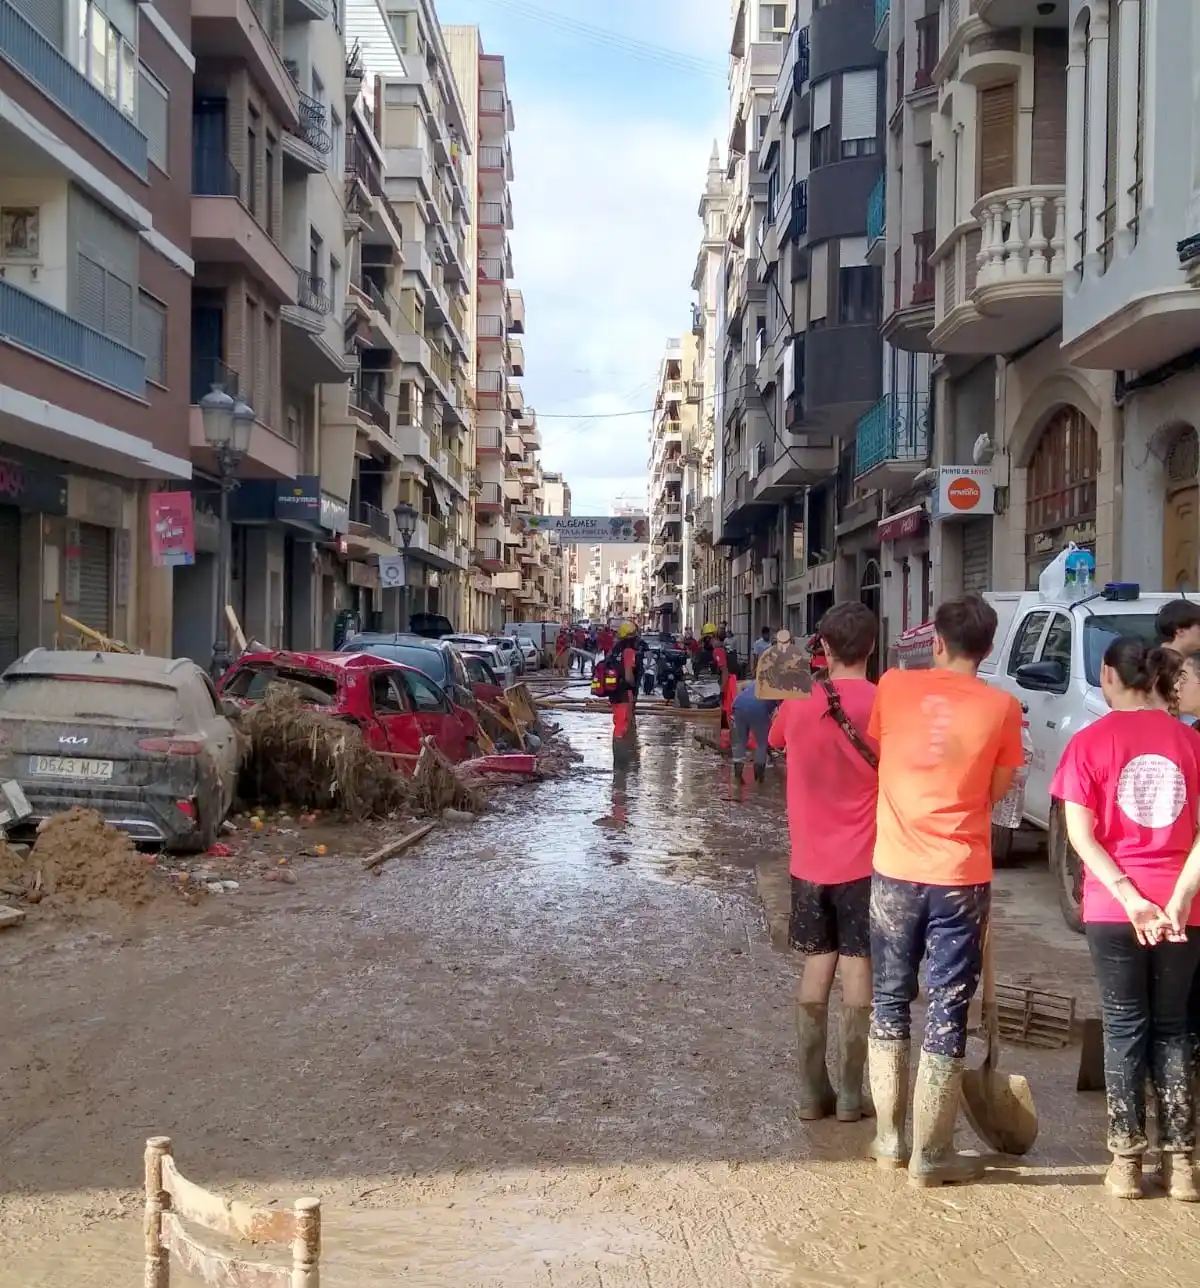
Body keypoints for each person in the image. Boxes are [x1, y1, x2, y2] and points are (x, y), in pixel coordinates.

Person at [867, 595, 1024, 1187]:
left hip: (893, 870)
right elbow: (999, 787)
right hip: (960, 875)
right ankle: (930, 1157)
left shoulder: (892, 686)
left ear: (935, 641)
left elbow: (890, 755)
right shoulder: (1003, 706)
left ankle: (888, 1138)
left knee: (888, 1000)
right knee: (948, 1006)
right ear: (987, 650)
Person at [1051, 638, 1200, 1201]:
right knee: (1174, 1027)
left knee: (1124, 1028)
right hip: (1185, 907)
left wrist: (1127, 895)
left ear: (1108, 675)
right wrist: (1181, 895)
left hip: (1116, 910)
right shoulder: (1191, 742)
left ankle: (1126, 1162)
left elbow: (1081, 836)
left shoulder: (1089, 743)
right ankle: (1183, 1165)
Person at [769, 603, 879, 1123]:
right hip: (865, 864)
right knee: (859, 968)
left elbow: (771, 742)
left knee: (817, 966)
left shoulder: (795, 697)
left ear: (825, 648)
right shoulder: (884, 705)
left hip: (808, 862)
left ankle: (813, 1096)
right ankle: (854, 1098)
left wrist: (787, 658)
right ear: (873, 649)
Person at [731, 681, 778, 783]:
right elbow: (778, 715)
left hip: (738, 705)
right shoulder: (781, 690)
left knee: (741, 741)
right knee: (761, 744)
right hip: (758, 709)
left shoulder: (757, 680)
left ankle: (737, 778)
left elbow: (739, 685)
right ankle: (759, 780)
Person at [697, 622, 736, 731]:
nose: (704, 643)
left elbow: (724, 671)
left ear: (709, 638)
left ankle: (725, 737)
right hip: (734, 681)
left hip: (729, 683)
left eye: (705, 640)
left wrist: (722, 691)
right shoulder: (724, 646)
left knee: (726, 712)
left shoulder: (717, 650)